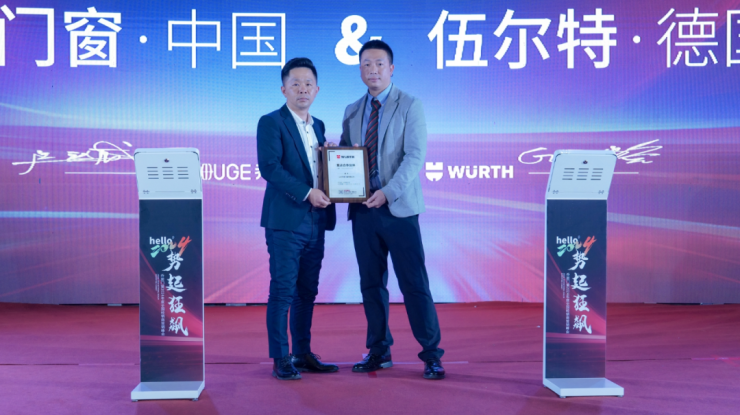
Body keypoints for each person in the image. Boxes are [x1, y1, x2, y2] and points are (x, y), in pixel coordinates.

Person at [339, 40, 445, 379]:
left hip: (398, 208)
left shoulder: (410, 105)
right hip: (363, 211)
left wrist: (387, 192)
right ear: (359, 69)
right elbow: (346, 155)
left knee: (414, 283)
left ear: (391, 68)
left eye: (379, 64)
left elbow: (414, 156)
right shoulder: (352, 110)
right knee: (371, 284)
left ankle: (431, 354)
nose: (373, 70)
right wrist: (334, 161)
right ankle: (378, 350)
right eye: (366, 64)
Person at [257, 57, 338, 380]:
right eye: (295, 84)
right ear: (284, 89)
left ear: (316, 90)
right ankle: (281, 357)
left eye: (308, 84)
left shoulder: (318, 126)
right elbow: (270, 168)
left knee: (307, 291)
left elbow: (317, 169)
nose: (302, 89)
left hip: (317, 220)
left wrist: (333, 160)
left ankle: (302, 353)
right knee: (282, 290)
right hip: (286, 222)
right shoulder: (271, 122)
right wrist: (307, 192)